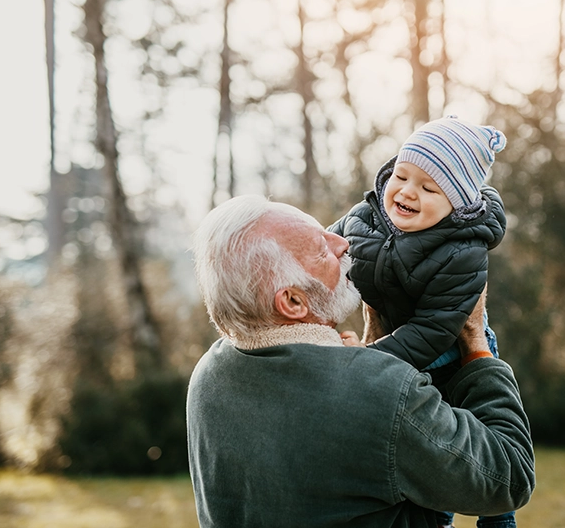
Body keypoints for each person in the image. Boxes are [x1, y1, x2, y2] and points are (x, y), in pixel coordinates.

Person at [187, 194, 535, 528]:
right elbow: (509, 476)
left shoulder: (207, 378)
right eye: (322, 249)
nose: (343, 244)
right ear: (293, 302)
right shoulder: (381, 390)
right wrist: (475, 344)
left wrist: (370, 347)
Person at [329, 116, 512, 528]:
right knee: (415, 456)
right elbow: (327, 247)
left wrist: (369, 359)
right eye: (401, 175)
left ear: (458, 204)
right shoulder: (365, 217)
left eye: (430, 188)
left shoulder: (463, 253)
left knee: (466, 445)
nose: (407, 192)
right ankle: (433, 519)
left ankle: (500, 518)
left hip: (449, 353)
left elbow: (432, 330)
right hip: (394, 344)